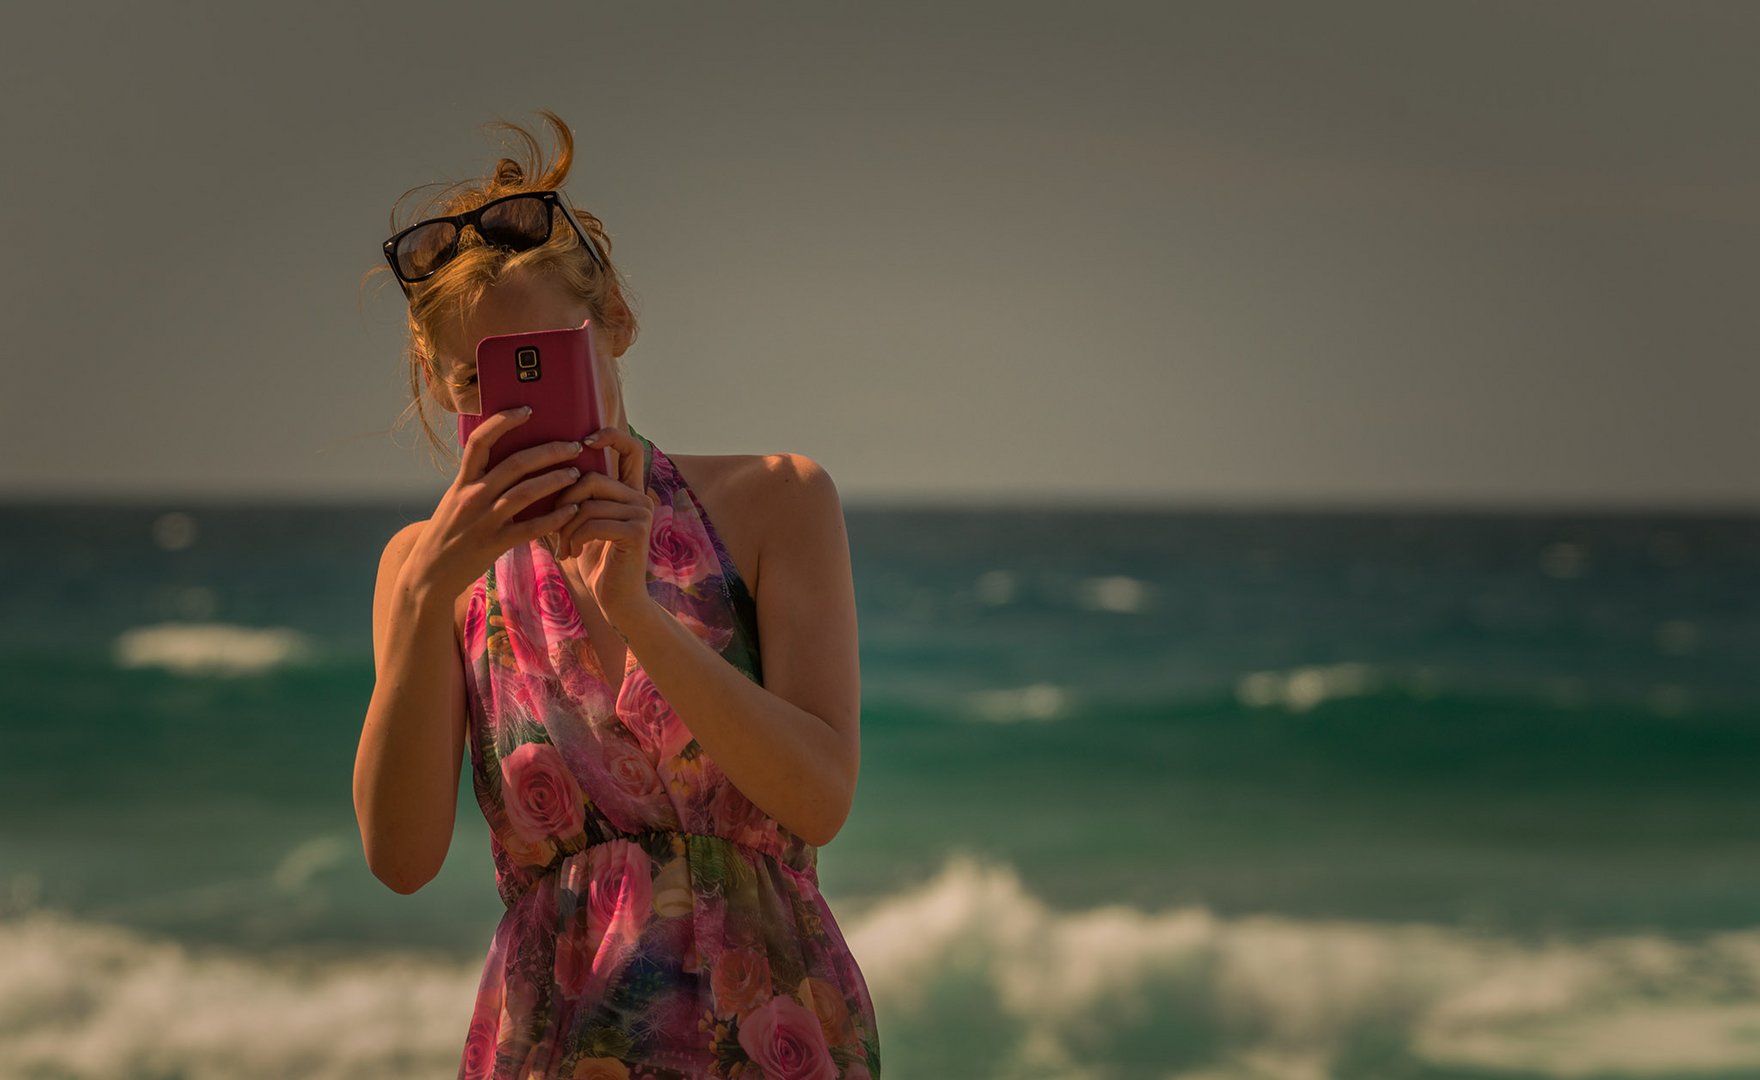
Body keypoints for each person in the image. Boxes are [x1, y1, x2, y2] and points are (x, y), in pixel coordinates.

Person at [352, 109, 881, 1080]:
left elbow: (819, 797)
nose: (514, 403)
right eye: (480, 379)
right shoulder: (423, 570)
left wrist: (637, 610)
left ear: (617, 323)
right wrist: (429, 593)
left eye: (542, 361)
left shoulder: (773, 500)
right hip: (554, 1040)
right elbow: (400, 858)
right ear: (439, 386)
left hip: (763, 1030)